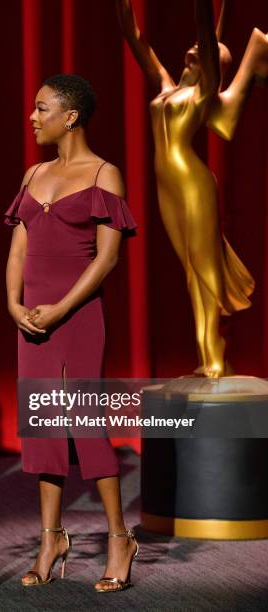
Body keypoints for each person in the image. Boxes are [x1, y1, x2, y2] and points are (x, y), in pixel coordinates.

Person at [5, 74, 138, 592]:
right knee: (43, 426)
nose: (34, 118)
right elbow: (17, 250)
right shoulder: (32, 172)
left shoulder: (105, 174)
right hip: (32, 320)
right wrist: (14, 305)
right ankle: (50, 539)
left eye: (42, 109)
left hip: (78, 316)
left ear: (71, 116)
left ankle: (119, 538)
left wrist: (59, 308)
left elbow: (107, 260)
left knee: (85, 422)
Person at [117, 0, 268, 377]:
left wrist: (208, 11)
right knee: (190, 270)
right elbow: (133, 35)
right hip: (166, 184)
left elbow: (206, 28)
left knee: (205, 270)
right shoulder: (168, 87)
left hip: (193, 182)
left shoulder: (205, 94)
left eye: (205, 51)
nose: (196, 47)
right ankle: (206, 357)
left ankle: (215, 355)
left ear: (213, 66)